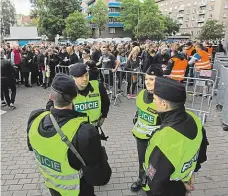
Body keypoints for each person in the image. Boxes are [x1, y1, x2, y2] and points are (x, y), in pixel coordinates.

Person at [27, 73, 112, 196]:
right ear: (75, 96)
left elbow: (32, 147)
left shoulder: (35, 118)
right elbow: (101, 178)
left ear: (51, 96)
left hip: (52, 187)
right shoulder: (84, 131)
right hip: (78, 191)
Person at [142, 77, 208, 196]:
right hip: (183, 183)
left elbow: (156, 185)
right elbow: (201, 154)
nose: (153, 101)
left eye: (155, 98)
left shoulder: (164, 140)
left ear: (164, 104)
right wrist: (191, 173)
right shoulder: (194, 118)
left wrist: (181, 187)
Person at [130, 66, 163, 192]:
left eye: (152, 79)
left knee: (154, 164)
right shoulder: (141, 94)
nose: (147, 82)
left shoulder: (164, 99)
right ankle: (141, 179)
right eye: (146, 79)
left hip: (157, 141)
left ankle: (151, 184)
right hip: (141, 138)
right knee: (142, 161)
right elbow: (139, 111)